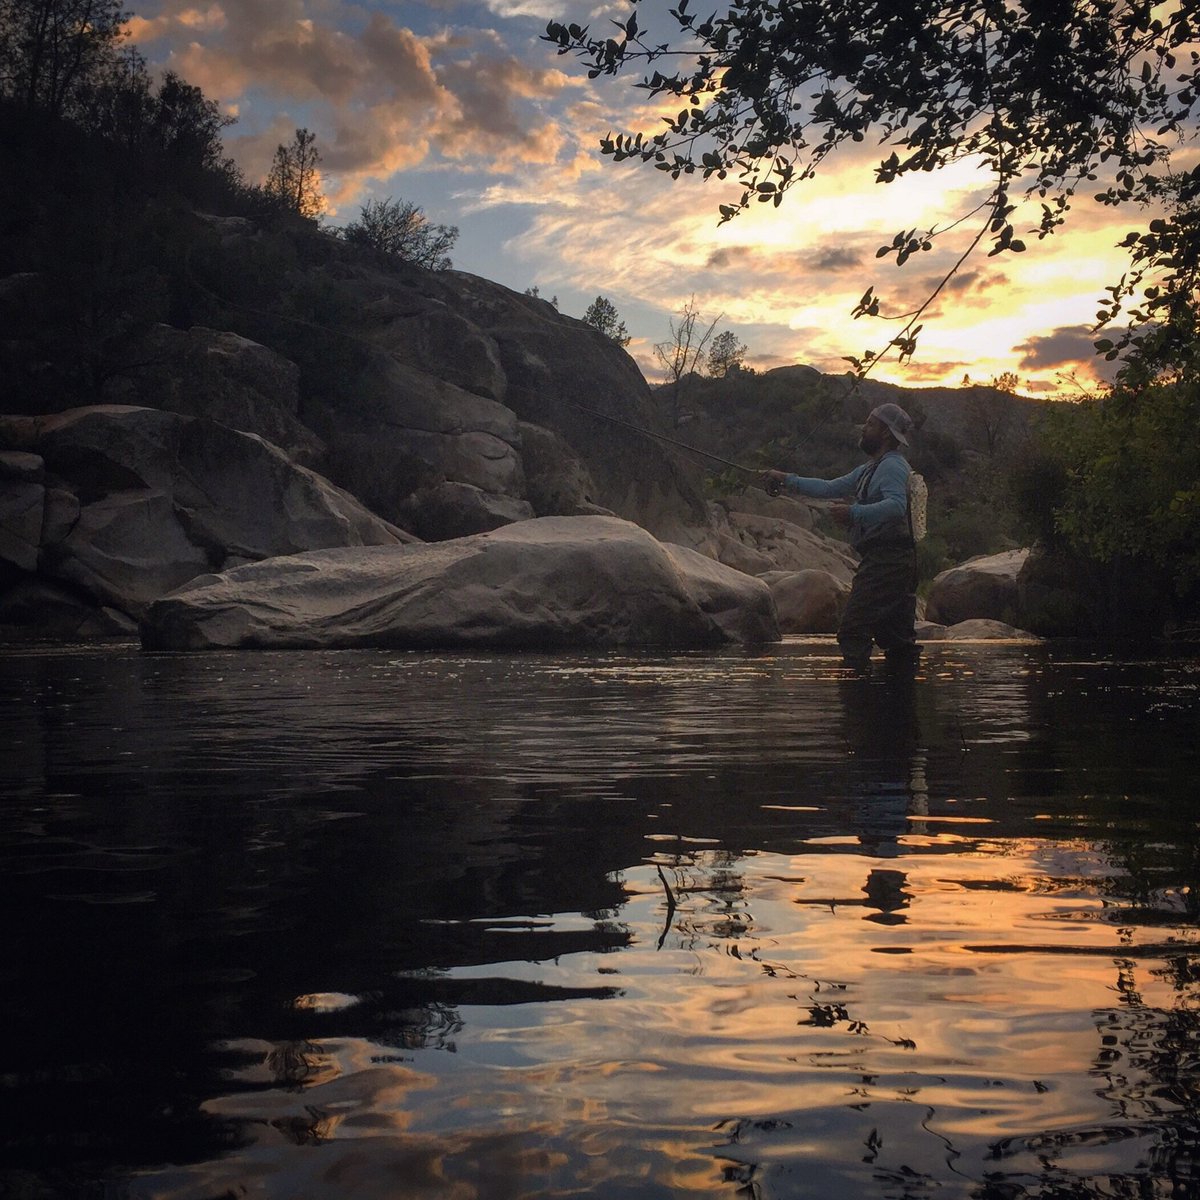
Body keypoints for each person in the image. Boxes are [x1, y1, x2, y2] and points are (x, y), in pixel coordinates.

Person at [763, 402, 920, 672]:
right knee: (897, 640)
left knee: (853, 632)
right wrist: (786, 479)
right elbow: (829, 487)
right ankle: (900, 708)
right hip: (895, 562)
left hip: (888, 562)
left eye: (870, 423)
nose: (864, 427)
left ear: (885, 433)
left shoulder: (892, 467)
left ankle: (858, 707)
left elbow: (896, 506)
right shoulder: (871, 468)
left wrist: (854, 514)